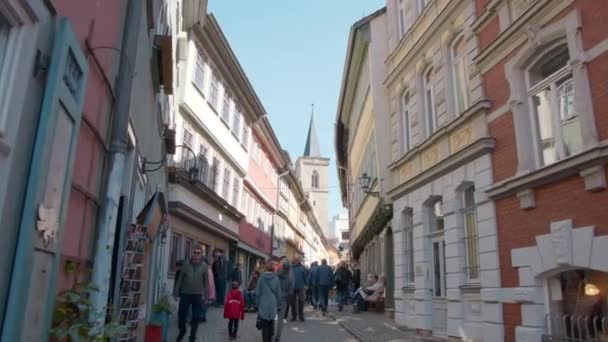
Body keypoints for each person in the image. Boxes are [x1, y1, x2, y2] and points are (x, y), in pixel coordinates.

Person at [173, 245, 209, 342]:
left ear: (201, 255)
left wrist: (206, 296)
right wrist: (176, 293)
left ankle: (192, 336)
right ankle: (182, 330)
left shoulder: (204, 266)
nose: (196, 254)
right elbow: (180, 279)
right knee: (181, 314)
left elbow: (206, 282)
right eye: (194, 252)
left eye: (198, 253)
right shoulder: (186, 264)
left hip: (197, 295)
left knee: (196, 316)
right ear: (192, 253)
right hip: (185, 293)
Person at [256, 259, 281, 342]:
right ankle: (270, 339)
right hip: (273, 304)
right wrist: (279, 305)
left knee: (264, 325)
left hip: (263, 304)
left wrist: (256, 305)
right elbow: (278, 294)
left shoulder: (261, 278)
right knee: (271, 323)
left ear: (266, 268)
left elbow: (258, 293)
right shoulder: (276, 279)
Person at [275, 258, 294, 342]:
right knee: (280, 319)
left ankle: (270, 333)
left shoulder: (276, 275)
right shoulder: (290, 278)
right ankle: (277, 337)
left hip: (274, 298)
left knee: (271, 316)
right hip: (283, 299)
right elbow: (290, 292)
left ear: (282, 267)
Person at [289, 256, 307, 322]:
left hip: (300, 287)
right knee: (292, 302)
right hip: (292, 287)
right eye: (294, 259)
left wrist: (305, 284)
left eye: (296, 260)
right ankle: (294, 316)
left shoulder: (302, 268)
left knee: (301, 302)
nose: (295, 261)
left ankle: (301, 316)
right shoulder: (290, 268)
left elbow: (305, 276)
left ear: (298, 261)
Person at [200, 256, 216, 322]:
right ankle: (203, 317)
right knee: (205, 305)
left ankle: (202, 317)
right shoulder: (209, 269)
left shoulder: (206, 270)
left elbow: (208, 282)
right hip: (209, 291)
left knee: (203, 305)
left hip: (206, 291)